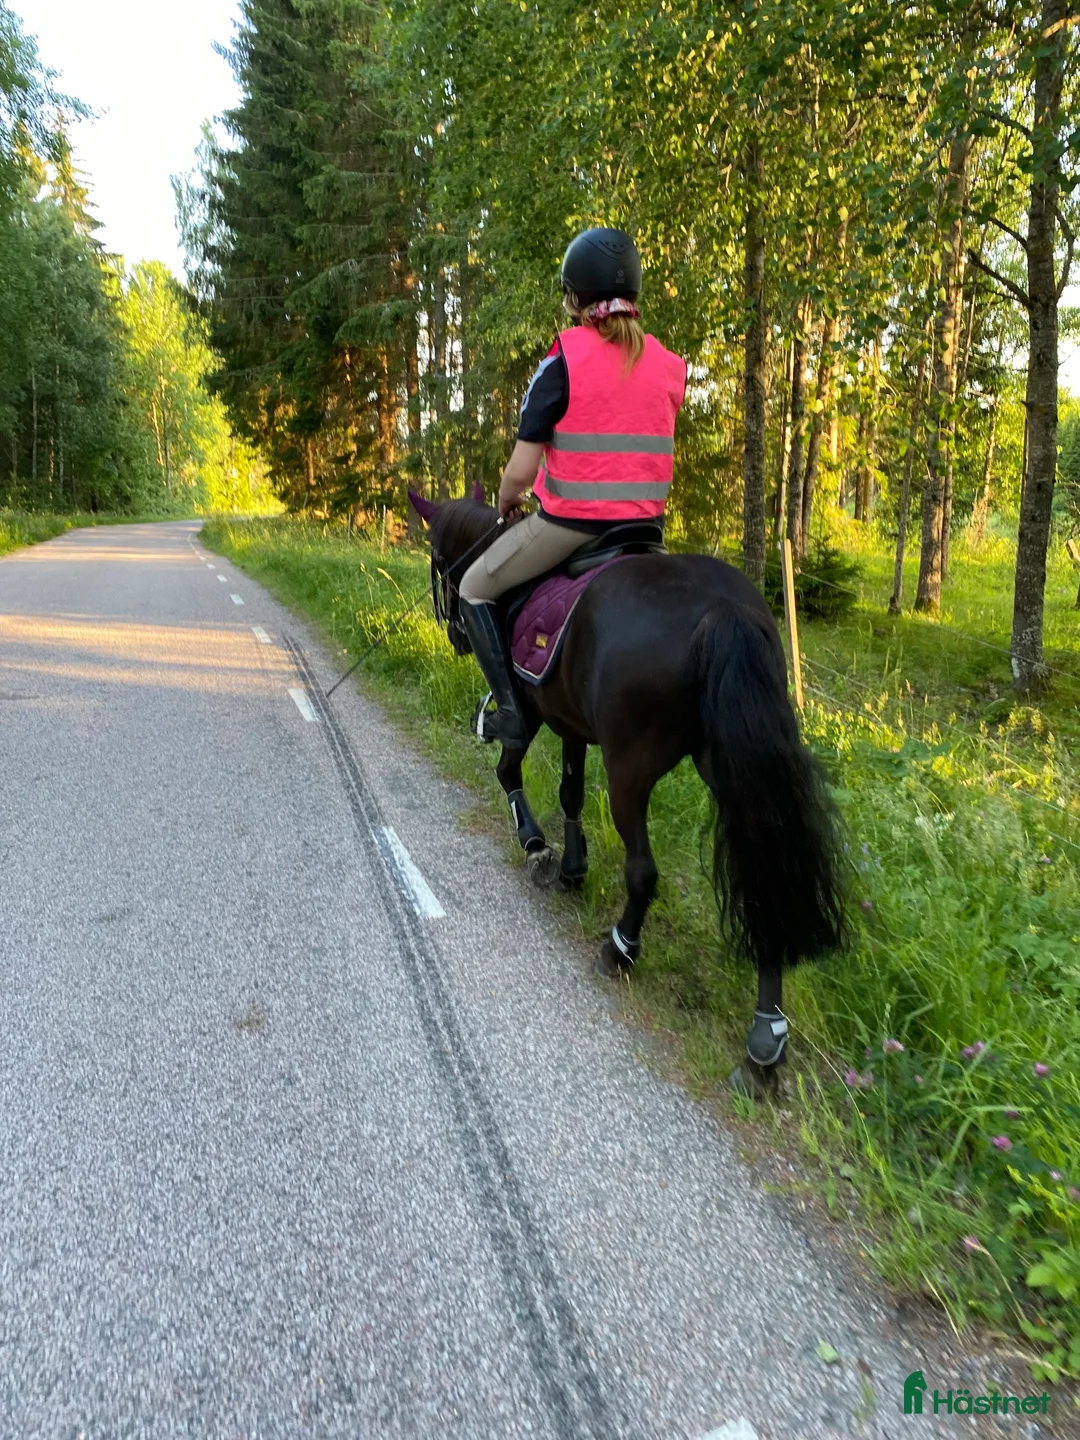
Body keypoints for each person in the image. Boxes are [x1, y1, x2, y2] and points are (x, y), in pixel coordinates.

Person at [459, 226, 688, 746]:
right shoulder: (670, 365)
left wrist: (505, 501)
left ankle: (513, 712)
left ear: (575, 297)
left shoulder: (563, 358)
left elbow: (520, 472)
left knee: (473, 587)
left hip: (571, 527)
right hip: (646, 533)